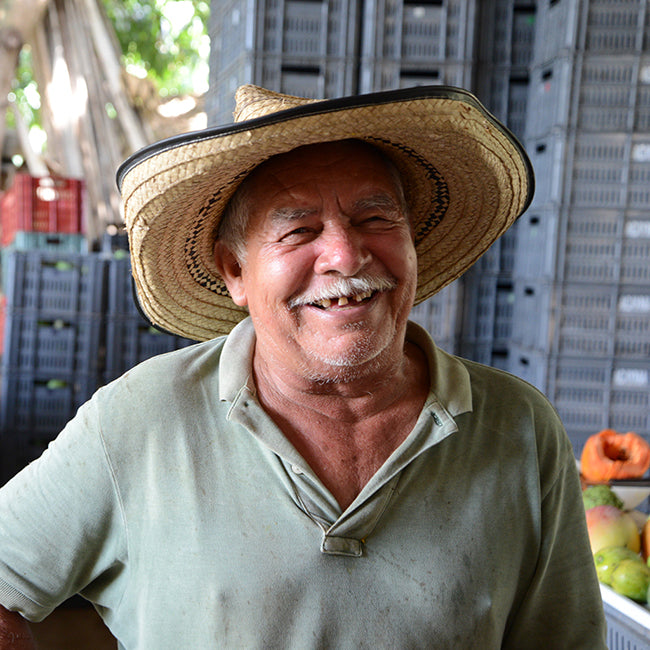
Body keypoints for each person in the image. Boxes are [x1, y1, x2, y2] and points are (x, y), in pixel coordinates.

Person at [0, 85, 607, 648]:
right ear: (234, 270)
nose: (345, 253)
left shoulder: (519, 429)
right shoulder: (140, 420)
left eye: (376, 219)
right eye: (298, 231)